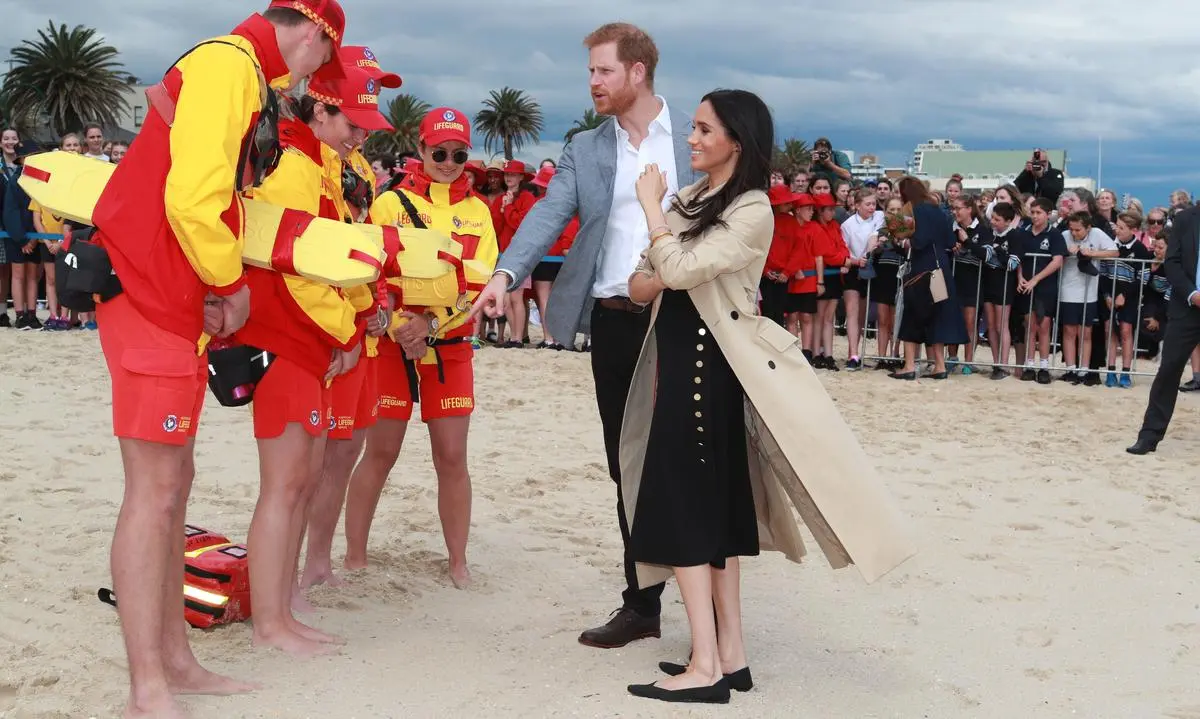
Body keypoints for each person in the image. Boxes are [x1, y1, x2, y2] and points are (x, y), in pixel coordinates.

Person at [86, 2, 346, 715]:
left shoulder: (234, 68)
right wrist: (230, 283)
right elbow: (195, 197)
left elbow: (196, 192)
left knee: (174, 480)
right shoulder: (231, 65)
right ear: (314, 34)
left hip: (165, 293)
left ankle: (175, 660)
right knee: (155, 488)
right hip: (147, 290)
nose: (315, 75)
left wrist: (212, 283)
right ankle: (148, 686)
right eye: (323, 58)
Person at [620, 89, 916, 704]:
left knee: (689, 520)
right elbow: (642, 284)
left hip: (709, 375)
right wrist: (665, 252)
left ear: (737, 140)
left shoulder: (752, 208)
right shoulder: (696, 200)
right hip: (687, 369)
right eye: (693, 128)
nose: (692, 138)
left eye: (704, 129)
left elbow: (670, 272)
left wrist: (653, 218)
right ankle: (731, 655)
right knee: (717, 518)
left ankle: (703, 665)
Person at [469, 22, 700, 649]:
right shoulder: (586, 146)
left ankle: (708, 605)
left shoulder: (695, 136)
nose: (593, 82)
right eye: (591, 72)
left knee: (689, 459)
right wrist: (506, 273)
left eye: (603, 71)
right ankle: (642, 602)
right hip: (614, 320)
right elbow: (549, 213)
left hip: (684, 318)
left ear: (638, 72)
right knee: (625, 465)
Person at [234, 59, 391, 655]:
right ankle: (272, 620)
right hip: (287, 343)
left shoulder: (321, 164)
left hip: (309, 342)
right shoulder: (295, 168)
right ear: (320, 110)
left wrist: (353, 320)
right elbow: (298, 271)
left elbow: (337, 256)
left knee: (299, 481)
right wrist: (348, 333)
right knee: (286, 484)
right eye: (353, 123)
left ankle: (282, 606)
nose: (361, 137)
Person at [347, 106, 499, 589]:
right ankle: (354, 556)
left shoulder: (478, 213)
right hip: (392, 344)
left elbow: (476, 285)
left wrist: (430, 323)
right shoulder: (389, 204)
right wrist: (399, 324)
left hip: (448, 345)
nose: (450, 161)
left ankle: (458, 562)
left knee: (452, 457)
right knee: (381, 452)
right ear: (421, 149)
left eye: (459, 153)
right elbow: (371, 272)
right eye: (440, 152)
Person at [1127, 203, 1200, 455]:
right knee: (1169, 369)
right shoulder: (1186, 219)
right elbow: (1173, 261)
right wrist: (1192, 294)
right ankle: (1149, 436)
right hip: (1188, 306)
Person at [891, 177, 968, 380]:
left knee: (912, 315)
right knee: (938, 315)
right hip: (940, 269)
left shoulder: (912, 210)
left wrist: (903, 238)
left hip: (921, 270)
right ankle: (939, 366)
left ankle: (909, 366)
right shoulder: (938, 211)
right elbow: (951, 241)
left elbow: (916, 240)